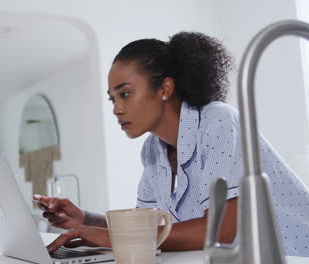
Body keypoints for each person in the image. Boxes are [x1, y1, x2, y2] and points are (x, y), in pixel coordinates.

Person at [34, 32, 309, 257]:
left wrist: (107, 238)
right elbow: (147, 227)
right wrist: (85, 219)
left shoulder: (218, 122)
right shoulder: (153, 149)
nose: (117, 109)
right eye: (113, 99)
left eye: (125, 94)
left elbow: (220, 230)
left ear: (165, 89)